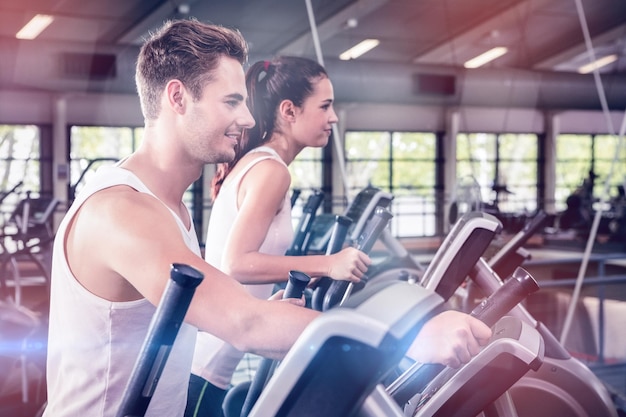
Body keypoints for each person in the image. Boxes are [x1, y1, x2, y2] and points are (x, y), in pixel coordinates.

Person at [43, 18, 491, 417]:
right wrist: (406, 339)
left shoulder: (170, 205)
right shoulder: (124, 211)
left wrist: (262, 310)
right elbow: (244, 324)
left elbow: (220, 309)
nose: (246, 116)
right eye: (231, 101)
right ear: (178, 97)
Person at [186, 56, 372, 417]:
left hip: (211, 362)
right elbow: (237, 263)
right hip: (203, 369)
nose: (333, 117)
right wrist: (329, 264)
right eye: (326, 106)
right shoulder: (271, 170)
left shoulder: (260, 164)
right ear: (289, 110)